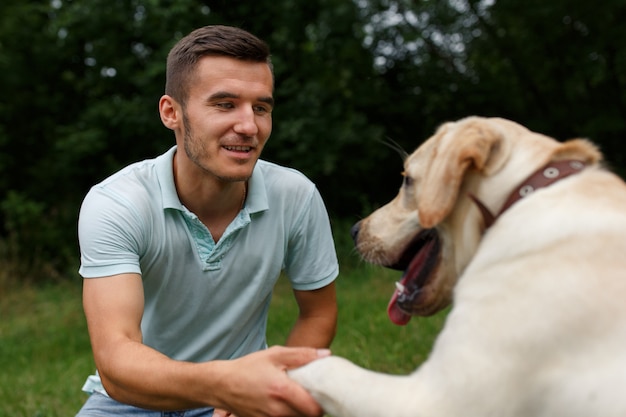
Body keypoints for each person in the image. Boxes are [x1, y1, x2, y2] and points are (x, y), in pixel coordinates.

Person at [76, 25, 339, 417]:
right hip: (132, 398)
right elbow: (116, 363)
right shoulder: (117, 203)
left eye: (261, 107)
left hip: (241, 397)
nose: (249, 126)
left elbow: (318, 312)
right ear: (171, 113)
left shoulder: (296, 196)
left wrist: (274, 385)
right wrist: (225, 385)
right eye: (225, 104)